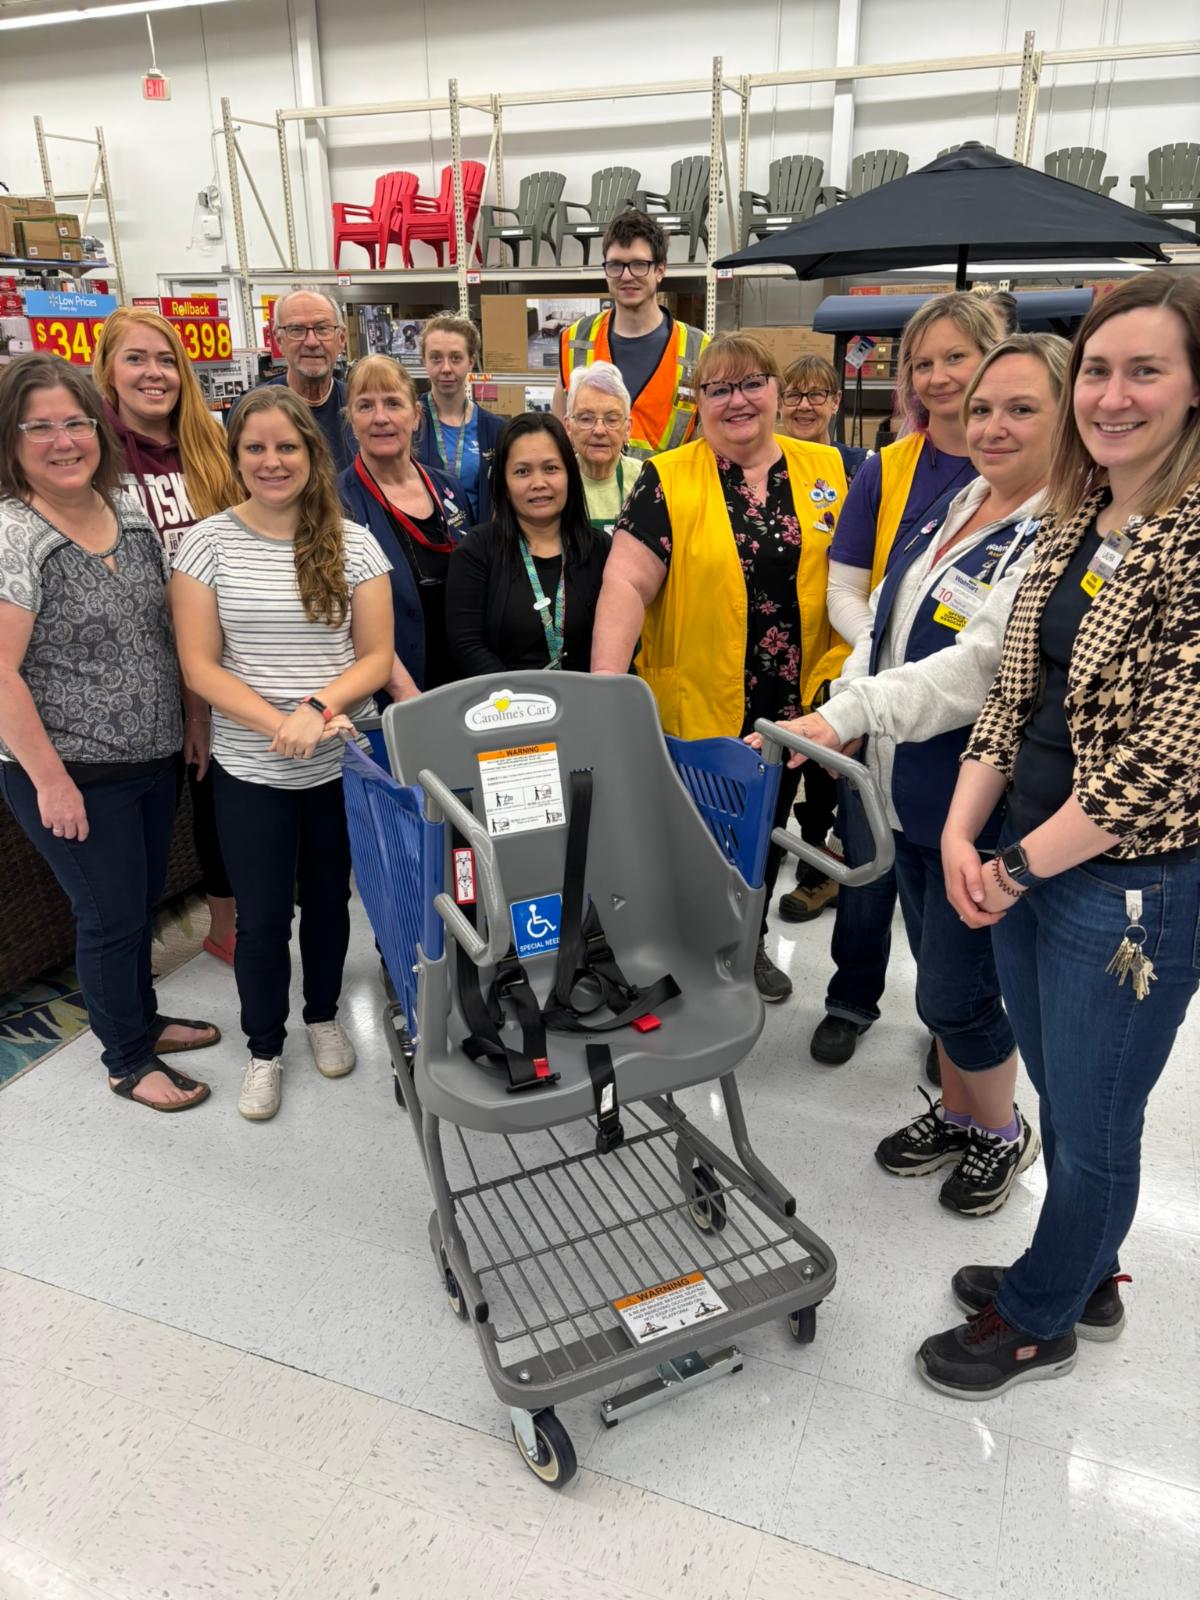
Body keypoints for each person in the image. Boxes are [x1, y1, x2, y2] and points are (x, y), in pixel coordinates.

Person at [918, 271, 1200, 1398]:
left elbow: (1166, 758)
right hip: (1026, 859)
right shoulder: (1080, 517)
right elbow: (1013, 694)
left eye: (1147, 371)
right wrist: (964, 832)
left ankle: (1044, 1316)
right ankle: (1083, 1270)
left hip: (1128, 886)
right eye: (1098, 370)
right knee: (1064, 1092)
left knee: (1094, 1123)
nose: (1113, 395)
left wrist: (1016, 864)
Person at [763, 334, 1069, 1217]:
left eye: (1021, 410)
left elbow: (979, 668)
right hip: (904, 789)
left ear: (1067, 420)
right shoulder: (958, 501)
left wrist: (853, 712)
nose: (993, 426)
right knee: (940, 980)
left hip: (979, 802)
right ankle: (965, 1115)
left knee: (958, 994)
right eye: (984, 408)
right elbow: (884, 624)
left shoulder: (1054, 533)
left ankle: (1003, 1130)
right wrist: (843, 707)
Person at [591, 332, 847, 1003]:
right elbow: (626, 583)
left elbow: (852, 582)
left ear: (776, 391)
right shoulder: (667, 476)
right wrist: (607, 693)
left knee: (766, 838)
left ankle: (745, 944)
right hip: (702, 703)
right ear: (698, 401)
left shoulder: (828, 469)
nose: (738, 400)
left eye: (752, 383)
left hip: (796, 708)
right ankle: (681, 952)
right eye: (719, 388)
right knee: (695, 841)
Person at [0, 356, 218, 1112]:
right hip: (74, 771)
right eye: (40, 427)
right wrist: (50, 781)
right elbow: (1, 673)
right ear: (11, 439)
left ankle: (142, 1020)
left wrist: (193, 717)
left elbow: (165, 628)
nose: (64, 442)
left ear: (100, 429)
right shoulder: (15, 533)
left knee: (141, 904)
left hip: (153, 755)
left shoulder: (124, 507)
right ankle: (126, 1059)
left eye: (76, 423)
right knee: (108, 916)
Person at [171, 387, 394, 1122]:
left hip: (335, 765)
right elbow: (200, 665)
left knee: (330, 903)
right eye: (255, 448)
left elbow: (376, 656)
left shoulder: (354, 544)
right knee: (262, 919)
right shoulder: (206, 544)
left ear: (311, 454)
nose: (272, 461)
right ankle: (264, 1048)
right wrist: (280, 721)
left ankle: (322, 1015)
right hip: (250, 770)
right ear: (235, 457)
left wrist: (316, 710)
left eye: (287, 446)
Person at [813, 291, 997, 1068]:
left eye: (957, 356)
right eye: (922, 363)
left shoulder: (1019, 474)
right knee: (868, 867)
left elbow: (988, 652)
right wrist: (882, 669)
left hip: (967, 735)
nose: (938, 375)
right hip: (875, 708)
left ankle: (951, 1025)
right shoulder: (889, 468)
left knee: (945, 893)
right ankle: (853, 997)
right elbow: (849, 588)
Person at [94, 305, 240, 966]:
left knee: (218, 799)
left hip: (214, 658)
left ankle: (226, 927)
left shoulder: (210, 445)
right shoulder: (90, 453)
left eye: (165, 360)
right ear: (108, 370)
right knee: (141, 826)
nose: (154, 374)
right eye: (136, 359)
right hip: (135, 669)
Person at [775, 352, 869, 925]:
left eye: (817, 394)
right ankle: (791, 851)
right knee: (780, 760)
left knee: (827, 760)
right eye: (794, 394)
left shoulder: (857, 470)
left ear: (835, 402)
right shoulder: (765, 463)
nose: (805, 405)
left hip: (836, 639)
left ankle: (820, 867)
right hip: (778, 639)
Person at [337, 355, 470, 695]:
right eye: (365, 406)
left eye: (393, 403)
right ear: (351, 419)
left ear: (415, 416)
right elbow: (343, 617)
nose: (380, 417)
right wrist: (405, 693)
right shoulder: (337, 504)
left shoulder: (449, 488)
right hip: (390, 692)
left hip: (460, 679)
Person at [445, 413, 609, 676]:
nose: (538, 483)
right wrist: (517, 696)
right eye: (522, 472)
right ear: (504, 484)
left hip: (585, 696)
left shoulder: (601, 550)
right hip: (502, 697)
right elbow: (466, 644)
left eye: (551, 468)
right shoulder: (475, 552)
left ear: (570, 474)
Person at [555, 210, 709, 459]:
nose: (626, 276)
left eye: (639, 264)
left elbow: (704, 446)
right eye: (616, 265)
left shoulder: (699, 349)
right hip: (590, 484)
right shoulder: (575, 340)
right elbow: (560, 440)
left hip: (667, 484)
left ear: (660, 270)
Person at [228, 289, 355, 474]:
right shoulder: (250, 411)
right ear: (279, 340)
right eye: (296, 330)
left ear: (341, 338)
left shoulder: (360, 406)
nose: (311, 342)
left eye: (322, 329)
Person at [413, 314, 503, 523]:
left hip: (478, 540)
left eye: (456, 358)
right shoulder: (407, 422)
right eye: (436, 358)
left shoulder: (495, 431)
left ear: (471, 361)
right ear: (424, 361)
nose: (446, 368)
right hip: (422, 539)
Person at [562, 360, 642, 533]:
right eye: (586, 419)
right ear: (568, 427)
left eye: (611, 419)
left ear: (628, 429)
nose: (599, 430)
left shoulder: (644, 482)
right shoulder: (557, 482)